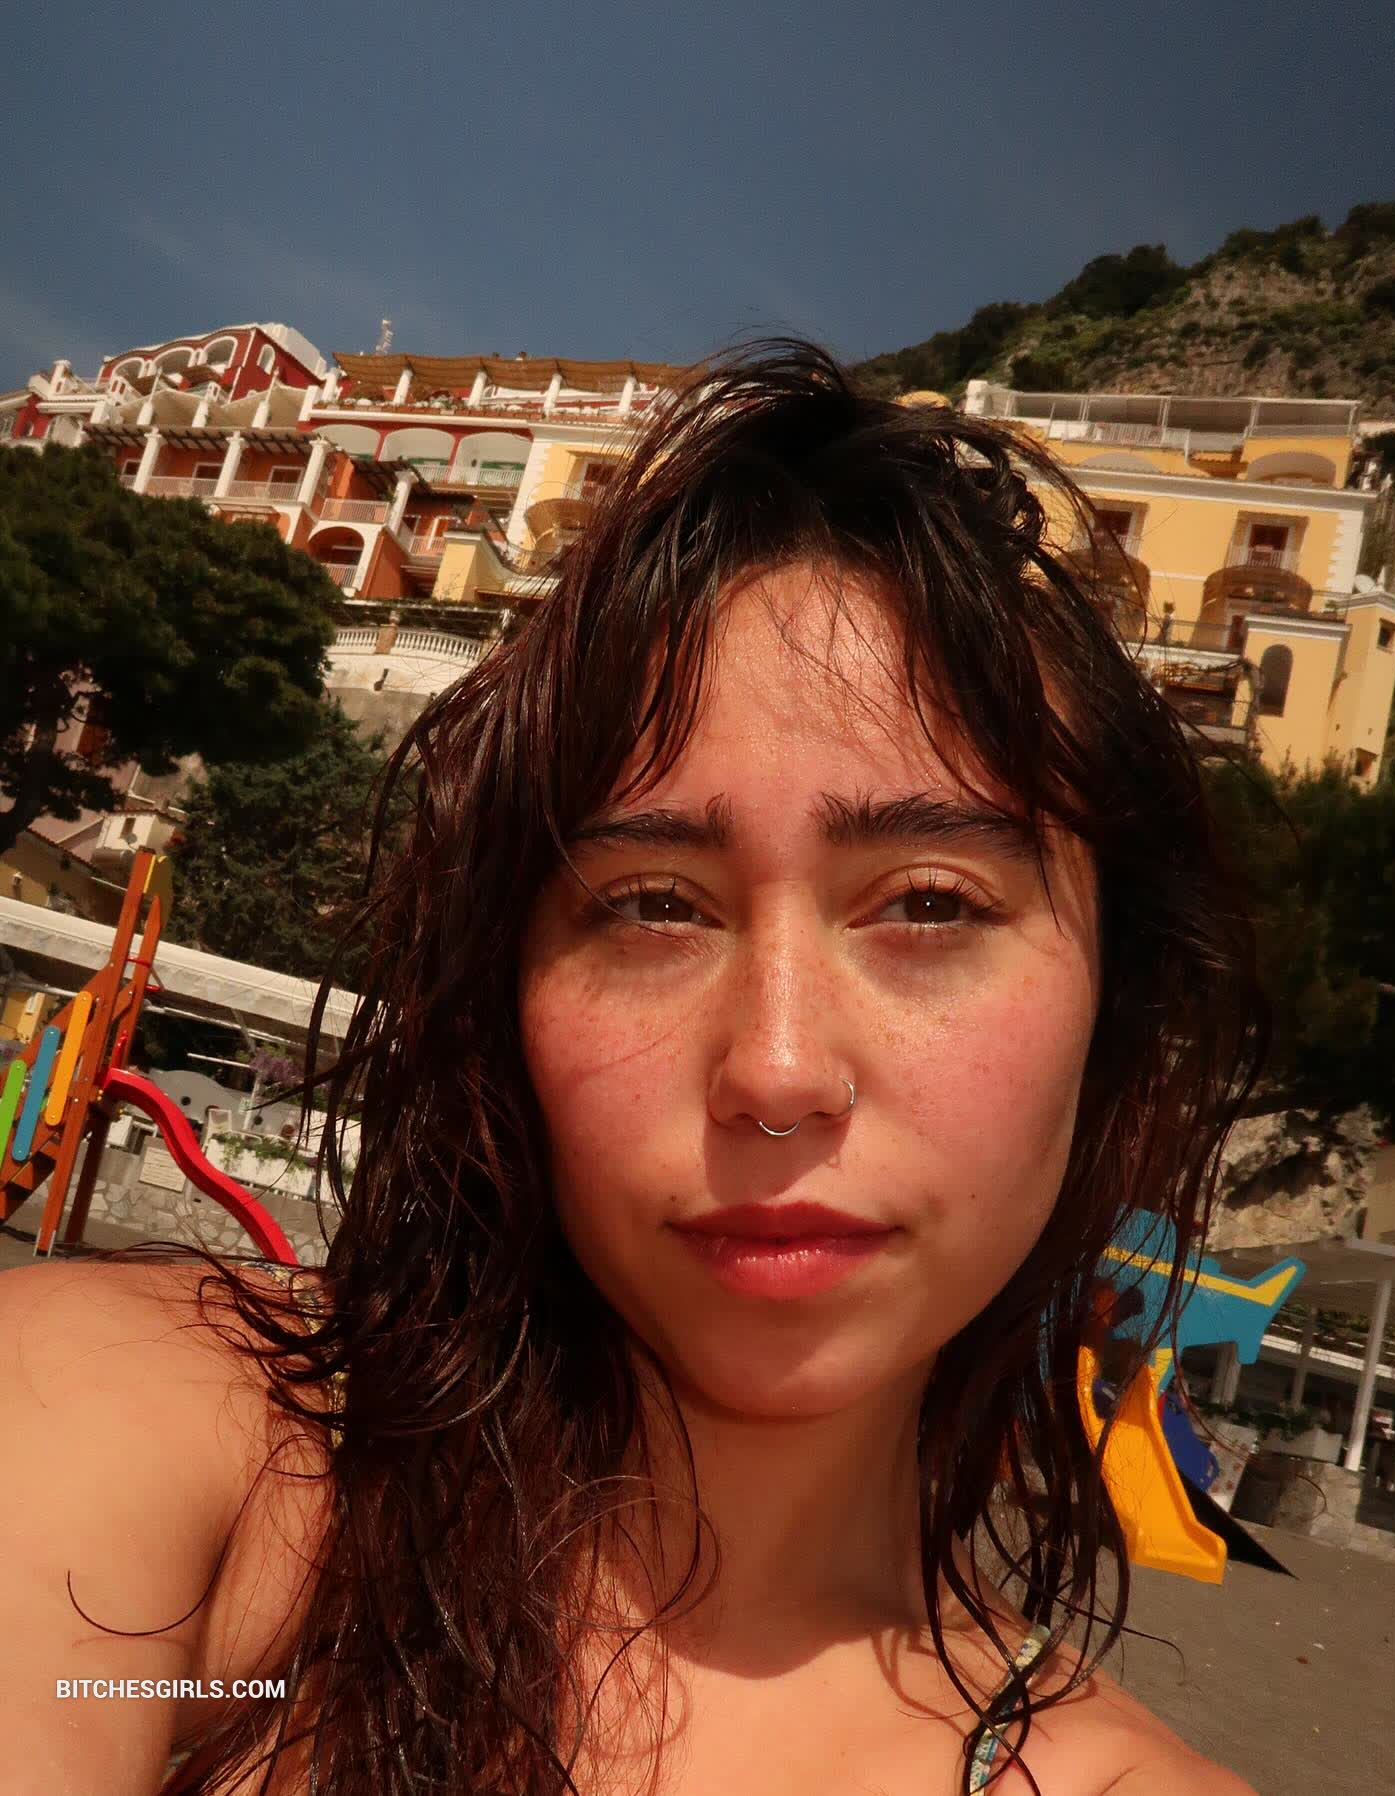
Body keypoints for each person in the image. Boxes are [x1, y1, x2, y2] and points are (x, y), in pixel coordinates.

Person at [0, 339, 1267, 1795]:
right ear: (508, 997)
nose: (777, 1071)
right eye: (654, 906)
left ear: (1114, 1018)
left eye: (931, 904)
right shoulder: (175, 1446)